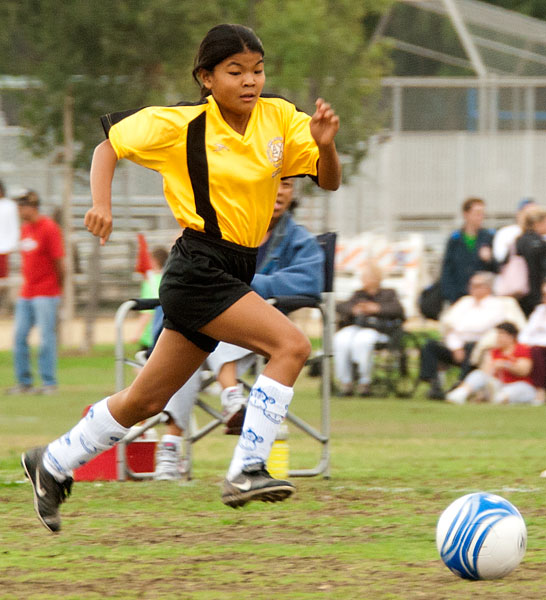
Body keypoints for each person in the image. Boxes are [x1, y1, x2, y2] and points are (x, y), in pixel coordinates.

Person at [21, 23, 341, 532]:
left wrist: (325, 145)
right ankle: (247, 469)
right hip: (199, 269)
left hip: (235, 267)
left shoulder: (279, 117)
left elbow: (328, 180)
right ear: (206, 78)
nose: (250, 80)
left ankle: (53, 461)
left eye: (257, 70)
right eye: (235, 71)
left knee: (146, 400)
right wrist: (101, 204)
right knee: (292, 346)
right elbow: (107, 148)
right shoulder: (180, 124)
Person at [154, 177, 325, 479]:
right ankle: (227, 399)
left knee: (221, 317)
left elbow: (309, 281)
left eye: (286, 184)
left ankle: (173, 441)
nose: (279, 191)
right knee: (195, 333)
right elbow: (184, 287)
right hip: (204, 323)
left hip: (259, 337)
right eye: (274, 182)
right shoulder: (223, 226)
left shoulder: (299, 240)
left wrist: (245, 288)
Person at [6, 190, 64, 396]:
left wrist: (58, 289)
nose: (19, 211)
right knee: (19, 336)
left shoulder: (49, 228)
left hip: (46, 291)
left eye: (22, 207)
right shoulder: (24, 230)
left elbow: (59, 262)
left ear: (32, 207)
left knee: (46, 338)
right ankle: (24, 383)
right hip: (27, 292)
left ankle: (49, 382)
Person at [419, 272, 507, 399]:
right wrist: (456, 346)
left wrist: (458, 328)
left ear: (488, 287)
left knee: (472, 347)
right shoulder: (464, 302)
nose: (473, 289)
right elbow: (448, 324)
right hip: (455, 345)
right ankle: (434, 384)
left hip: (478, 346)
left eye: (478, 285)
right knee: (430, 346)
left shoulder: (496, 304)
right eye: (472, 285)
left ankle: (461, 384)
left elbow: (481, 326)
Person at [333, 260, 404, 397]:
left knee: (363, 340)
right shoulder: (359, 294)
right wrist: (354, 309)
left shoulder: (389, 294)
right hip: (357, 327)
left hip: (379, 329)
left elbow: (398, 310)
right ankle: (345, 381)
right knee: (341, 339)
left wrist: (377, 308)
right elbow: (342, 306)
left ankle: (364, 381)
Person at [445, 322, 539, 406]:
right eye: (498, 334)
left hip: (519, 385)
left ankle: (498, 399)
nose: (499, 338)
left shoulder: (522, 349)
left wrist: (506, 365)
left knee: (513, 391)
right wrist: (492, 367)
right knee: (478, 374)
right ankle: (461, 393)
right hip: (498, 385)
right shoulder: (494, 351)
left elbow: (524, 370)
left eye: (502, 334)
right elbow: (485, 373)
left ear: (511, 337)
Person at [440, 197, 496, 304]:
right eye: (477, 213)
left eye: (482, 214)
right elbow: (447, 268)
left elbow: (497, 268)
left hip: (483, 297)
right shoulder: (455, 239)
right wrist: (450, 294)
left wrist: (489, 259)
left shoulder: (489, 237)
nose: (480, 217)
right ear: (466, 214)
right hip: (459, 295)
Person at [131, 246, 169, 352]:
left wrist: (137, 333)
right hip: (165, 331)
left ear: (154, 261)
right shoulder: (169, 279)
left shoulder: (151, 282)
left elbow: (147, 311)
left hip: (151, 334)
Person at [519, 279, 546, 406]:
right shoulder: (539, 310)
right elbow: (525, 333)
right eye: (544, 294)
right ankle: (538, 390)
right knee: (533, 351)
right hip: (535, 347)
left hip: (539, 347)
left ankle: (540, 391)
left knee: (537, 351)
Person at [515, 206, 546, 317]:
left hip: (519, 290)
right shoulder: (540, 243)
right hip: (537, 291)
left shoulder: (518, 240)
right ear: (537, 223)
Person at [492, 197, 537, 264]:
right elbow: (500, 256)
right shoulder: (506, 232)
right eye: (528, 213)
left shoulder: (541, 233)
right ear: (519, 214)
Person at [0, 179, 19, 312]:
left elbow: (14, 226)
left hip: (4, 247)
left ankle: (4, 305)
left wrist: (12, 244)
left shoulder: (9, 205)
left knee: (3, 280)